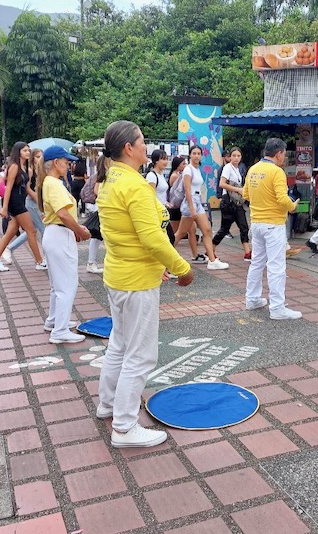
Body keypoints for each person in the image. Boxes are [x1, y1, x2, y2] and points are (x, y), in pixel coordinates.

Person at [96, 120, 194, 448]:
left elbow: (134, 236)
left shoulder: (112, 179)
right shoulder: (134, 185)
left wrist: (159, 265)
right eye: (141, 141)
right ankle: (124, 427)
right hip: (136, 281)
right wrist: (182, 268)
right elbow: (152, 238)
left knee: (121, 345)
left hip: (121, 275)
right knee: (140, 355)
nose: (145, 145)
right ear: (129, 148)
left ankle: (108, 405)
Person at [38, 146, 91, 344]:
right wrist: (80, 229)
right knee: (66, 285)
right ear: (56, 162)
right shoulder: (54, 184)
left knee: (57, 285)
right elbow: (62, 213)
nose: (69, 164)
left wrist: (74, 229)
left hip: (57, 233)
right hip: (60, 234)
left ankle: (55, 321)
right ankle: (59, 330)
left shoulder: (50, 182)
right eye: (66, 161)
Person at [244, 138, 301, 320]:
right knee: (276, 266)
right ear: (279, 154)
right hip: (273, 224)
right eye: (284, 154)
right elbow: (283, 199)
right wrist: (293, 206)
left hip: (256, 222)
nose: (284, 158)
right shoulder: (276, 172)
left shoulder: (253, 169)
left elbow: (245, 194)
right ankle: (277, 308)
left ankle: (252, 299)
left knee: (257, 262)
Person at [0, 142, 47, 272]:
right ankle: (39, 261)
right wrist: (4, 207)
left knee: (10, 233)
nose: (28, 152)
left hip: (19, 201)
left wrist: (40, 201)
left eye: (28, 150)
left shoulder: (26, 168)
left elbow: (26, 189)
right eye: (25, 150)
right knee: (31, 231)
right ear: (18, 152)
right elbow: (8, 187)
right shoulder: (14, 166)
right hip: (16, 203)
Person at [172, 146, 228, 270]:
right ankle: (164, 257)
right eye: (194, 153)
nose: (197, 156)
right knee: (180, 233)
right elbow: (187, 190)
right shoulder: (188, 169)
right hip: (189, 203)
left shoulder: (197, 169)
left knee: (207, 230)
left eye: (199, 153)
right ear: (190, 155)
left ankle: (212, 260)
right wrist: (192, 208)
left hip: (198, 202)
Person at [3, 148, 46, 266]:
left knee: (31, 231)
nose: (40, 159)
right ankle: (43, 260)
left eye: (41, 156)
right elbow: (25, 189)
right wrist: (39, 201)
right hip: (30, 204)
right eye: (37, 157)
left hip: (34, 203)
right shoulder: (29, 171)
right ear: (32, 158)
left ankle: (9, 248)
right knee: (42, 230)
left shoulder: (40, 170)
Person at [213, 147, 251, 260]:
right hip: (228, 201)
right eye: (233, 155)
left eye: (238, 156)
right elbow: (222, 184)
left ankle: (248, 252)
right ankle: (210, 250)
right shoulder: (227, 168)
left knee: (243, 226)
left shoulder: (238, 169)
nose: (236, 158)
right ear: (230, 157)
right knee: (224, 229)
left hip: (236, 202)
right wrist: (238, 190)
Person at [84, 154, 108, 275]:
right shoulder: (103, 176)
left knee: (98, 237)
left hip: (102, 209)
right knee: (98, 237)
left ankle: (92, 262)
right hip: (103, 210)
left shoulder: (103, 175)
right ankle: (91, 262)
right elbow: (96, 191)